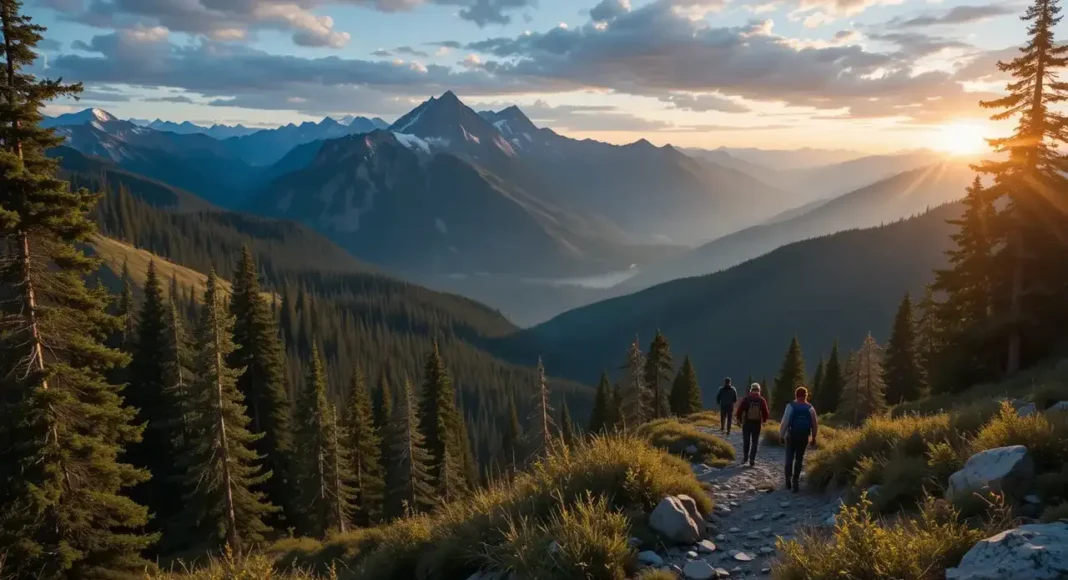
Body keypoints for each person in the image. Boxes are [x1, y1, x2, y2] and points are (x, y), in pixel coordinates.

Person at [778, 386, 818, 492]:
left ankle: (788, 480)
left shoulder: (790, 406)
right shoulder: (810, 408)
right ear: (806, 396)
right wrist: (813, 437)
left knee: (789, 458)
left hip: (791, 435)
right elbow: (814, 424)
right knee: (799, 459)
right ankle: (796, 481)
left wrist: (781, 435)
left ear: (796, 395)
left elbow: (785, 422)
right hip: (804, 436)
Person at [735, 383, 769, 467]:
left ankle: (745, 457)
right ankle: (752, 459)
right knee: (755, 441)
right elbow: (766, 412)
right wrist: (764, 420)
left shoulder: (746, 399)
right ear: (759, 390)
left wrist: (738, 420)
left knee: (746, 440)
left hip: (747, 422)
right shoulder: (761, 400)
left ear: (751, 389)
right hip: (756, 423)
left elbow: (739, 410)